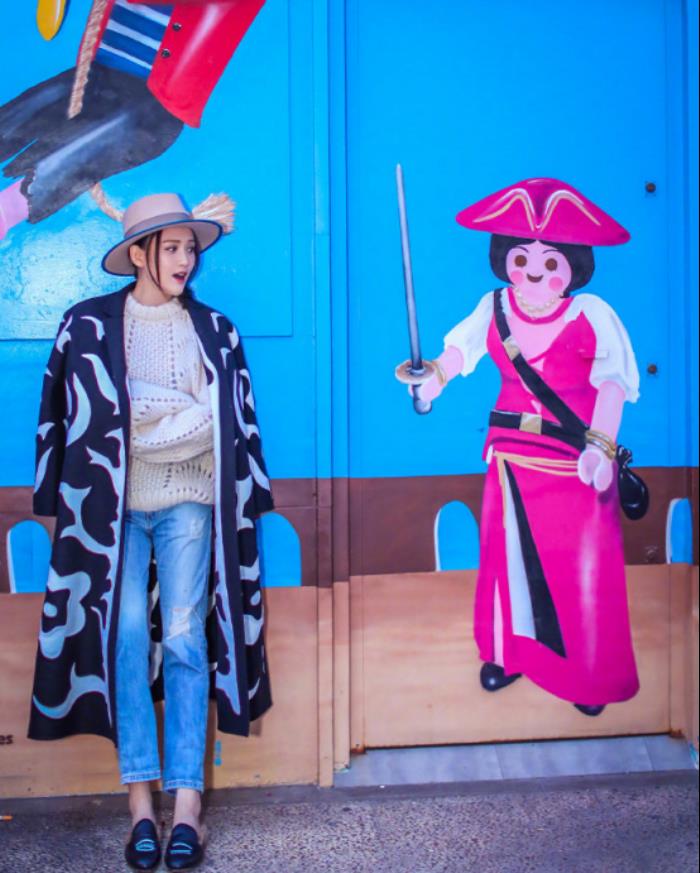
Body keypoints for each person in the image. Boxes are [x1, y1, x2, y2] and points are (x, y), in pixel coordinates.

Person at [30, 192, 273, 871]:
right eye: (171, 247)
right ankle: (140, 805)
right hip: (110, 511)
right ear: (138, 253)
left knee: (188, 639)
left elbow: (225, 423)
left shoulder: (216, 331)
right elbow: (79, 420)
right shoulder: (86, 326)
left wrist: (145, 420)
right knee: (127, 638)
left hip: (190, 500)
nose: (185, 260)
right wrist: (180, 413)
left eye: (190, 248)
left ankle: (186, 807)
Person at [398, 177, 641, 717]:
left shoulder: (592, 314)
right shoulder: (494, 307)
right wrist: (432, 382)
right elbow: (457, 355)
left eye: (550, 261)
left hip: (576, 464)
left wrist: (601, 449)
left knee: (578, 569)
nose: (534, 271)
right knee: (509, 563)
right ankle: (509, 655)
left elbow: (613, 386)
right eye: (522, 257)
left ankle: (584, 674)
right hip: (511, 459)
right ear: (504, 258)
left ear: (573, 265)